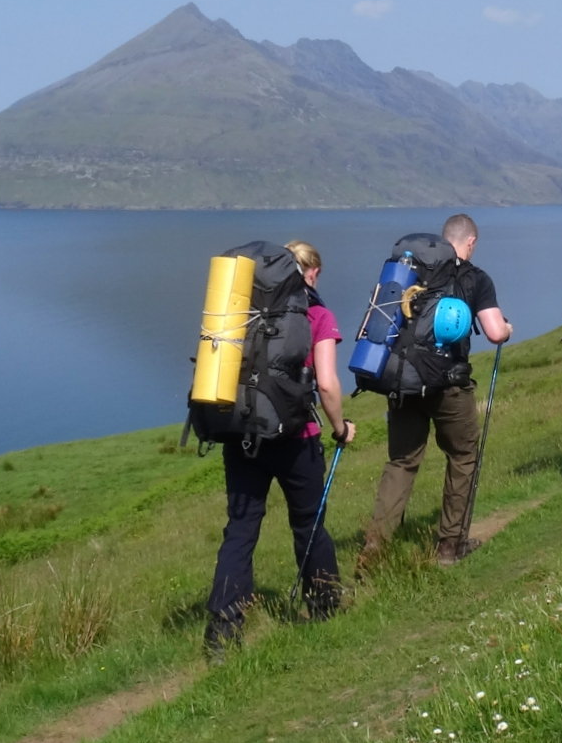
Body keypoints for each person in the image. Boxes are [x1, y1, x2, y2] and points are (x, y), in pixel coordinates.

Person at [203, 240, 356, 661]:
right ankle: (324, 606)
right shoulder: (317, 316)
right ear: (309, 273)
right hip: (297, 438)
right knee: (309, 524)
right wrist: (341, 429)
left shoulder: (239, 315)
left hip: (242, 436)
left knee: (241, 529)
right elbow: (326, 384)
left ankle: (222, 633)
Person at [359, 213, 512, 570]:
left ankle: (374, 550)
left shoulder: (410, 272)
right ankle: (450, 546)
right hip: (448, 385)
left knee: (401, 462)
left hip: (403, 382)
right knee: (462, 454)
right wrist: (506, 329)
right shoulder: (474, 278)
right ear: (470, 243)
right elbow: (493, 332)